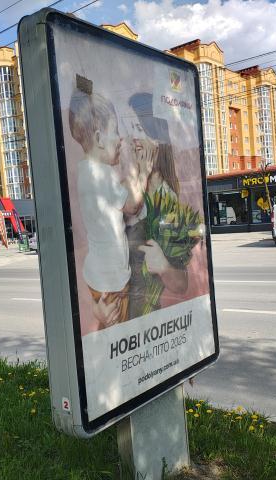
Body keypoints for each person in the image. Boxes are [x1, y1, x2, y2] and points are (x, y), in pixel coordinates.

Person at [68, 76, 156, 330]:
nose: (121, 139)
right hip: (111, 280)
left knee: (112, 326)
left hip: (100, 275)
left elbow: (118, 198)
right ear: (99, 138)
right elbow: (132, 205)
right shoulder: (102, 174)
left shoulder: (86, 171)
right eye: (115, 131)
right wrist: (143, 172)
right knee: (116, 327)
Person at [125, 92, 189, 320]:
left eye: (138, 129)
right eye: (129, 130)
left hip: (142, 319)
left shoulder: (168, 202)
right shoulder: (131, 189)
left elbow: (181, 283)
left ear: (158, 141)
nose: (133, 139)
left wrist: (164, 266)